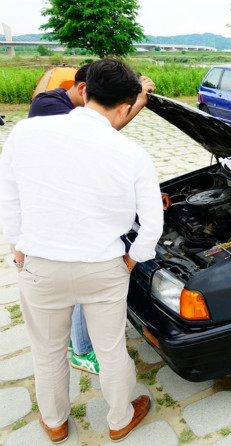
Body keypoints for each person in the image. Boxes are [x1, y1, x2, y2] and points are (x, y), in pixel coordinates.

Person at [0, 57, 163, 444]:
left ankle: (55, 423)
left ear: (85, 90)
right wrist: (130, 259)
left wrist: (18, 250)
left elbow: (8, 199)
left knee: (48, 352)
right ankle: (120, 418)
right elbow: (153, 224)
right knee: (109, 350)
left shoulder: (25, 133)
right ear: (126, 106)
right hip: (103, 267)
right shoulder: (132, 154)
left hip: (40, 266)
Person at [27, 64, 156, 376]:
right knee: (79, 284)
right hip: (62, 225)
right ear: (83, 89)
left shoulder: (66, 109)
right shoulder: (50, 107)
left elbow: (101, 137)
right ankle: (83, 350)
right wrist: (130, 260)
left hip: (62, 215)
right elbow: (103, 135)